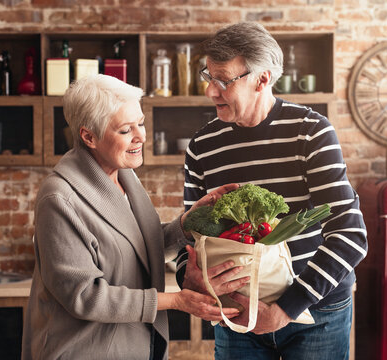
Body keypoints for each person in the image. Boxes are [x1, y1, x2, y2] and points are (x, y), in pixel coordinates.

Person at [175, 22, 368, 360]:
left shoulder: (311, 133)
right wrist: (189, 279)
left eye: (223, 80)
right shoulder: (202, 145)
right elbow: (190, 234)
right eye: (209, 78)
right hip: (236, 314)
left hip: (316, 312)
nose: (211, 92)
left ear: (261, 79)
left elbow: (350, 234)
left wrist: (283, 310)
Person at [21, 74, 244, 360]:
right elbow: (84, 296)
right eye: (126, 130)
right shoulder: (59, 198)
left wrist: (188, 224)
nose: (141, 136)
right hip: (83, 350)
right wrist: (176, 300)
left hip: (131, 346)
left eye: (140, 122)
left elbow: (135, 248)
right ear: (88, 136)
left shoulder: (124, 175)